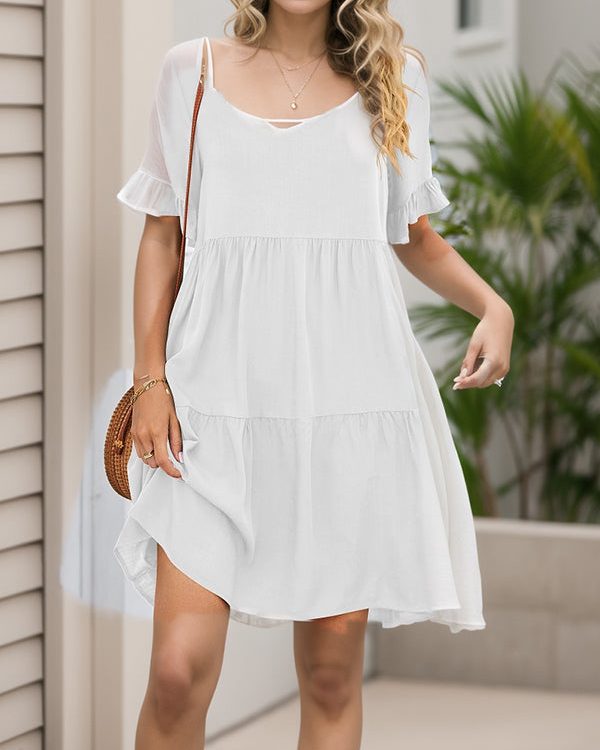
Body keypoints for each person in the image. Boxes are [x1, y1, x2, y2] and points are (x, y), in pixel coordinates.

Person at [113, 1, 513, 747]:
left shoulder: (394, 77)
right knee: (175, 673)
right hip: (210, 414)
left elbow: (413, 236)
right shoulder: (192, 73)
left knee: (330, 677)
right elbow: (161, 235)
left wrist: (493, 305)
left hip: (346, 415)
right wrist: (150, 381)